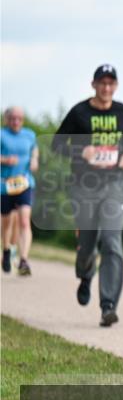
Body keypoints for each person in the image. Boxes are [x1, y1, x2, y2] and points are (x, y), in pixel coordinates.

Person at [52, 64, 123, 327]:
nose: (106, 88)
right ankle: (86, 275)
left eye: (111, 83)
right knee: (88, 245)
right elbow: (56, 144)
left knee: (111, 241)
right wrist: (81, 153)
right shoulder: (79, 112)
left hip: (115, 185)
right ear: (93, 84)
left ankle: (108, 305)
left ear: (116, 86)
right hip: (84, 185)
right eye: (102, 83)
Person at [1, 106, 38, 276]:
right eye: (12, 118)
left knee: (24, 220)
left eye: (19, 118)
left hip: (25, 182)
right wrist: (5, 160)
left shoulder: (29, 134)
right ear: (6, 119)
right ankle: (7, 249)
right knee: (7, 221)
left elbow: (34, 150)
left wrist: (35, 161)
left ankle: (23, 259)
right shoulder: (2, 134)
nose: (16, 121)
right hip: (5, 184)